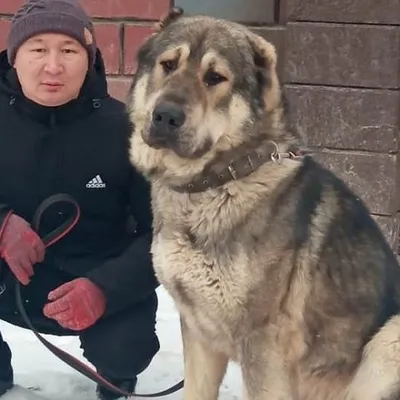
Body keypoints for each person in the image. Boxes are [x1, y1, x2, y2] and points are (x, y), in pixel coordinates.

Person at [0, 0, 160, 399]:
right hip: (7, 281)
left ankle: (116, 376)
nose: (53, 66)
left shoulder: (130, 132)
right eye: (38, 49)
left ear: (88, 60)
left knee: (128, 347)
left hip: (96, 276)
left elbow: (167, 233)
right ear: (13, 57)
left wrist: (106, 288)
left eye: (69, 51)